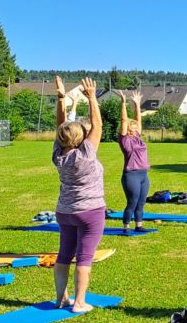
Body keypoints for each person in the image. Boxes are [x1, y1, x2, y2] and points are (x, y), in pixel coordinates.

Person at [52, 76, 104, 313]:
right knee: (84, 258)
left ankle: (61, 298)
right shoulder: (85, 154)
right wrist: (92, 97)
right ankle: (79, 302)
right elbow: (98, 126)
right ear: (81, 139)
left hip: (65, 211)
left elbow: (61, 127)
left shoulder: (58, 153)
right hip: (90, 211)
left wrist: (62, 99)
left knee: (64, 255)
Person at [116, 90, 150, 233]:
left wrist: (137, 104)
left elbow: (138, 120)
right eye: (132, 128)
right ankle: (126, 226)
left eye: (136, 128)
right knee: (132, 201)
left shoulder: (138, 138)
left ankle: (139, 225)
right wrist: (123, 102)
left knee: (141, 202)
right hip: (131, 175)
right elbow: (124, 121)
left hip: (143, 174)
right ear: (127, 129)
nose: (135, 130)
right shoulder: (125, 140)